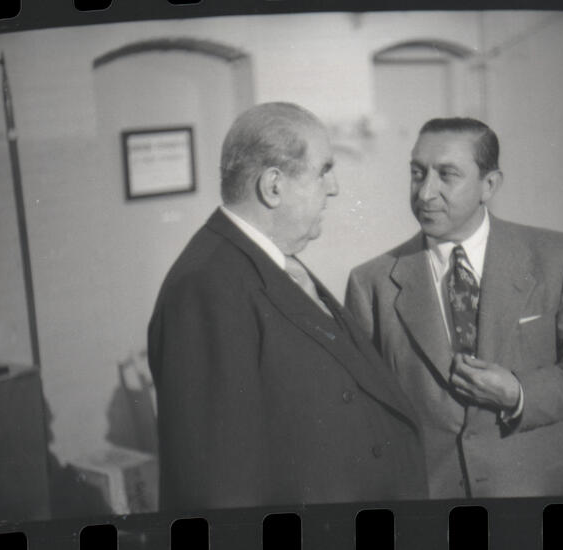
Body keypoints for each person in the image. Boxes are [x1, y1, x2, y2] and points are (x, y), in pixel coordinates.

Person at [147, 102, 427, 510]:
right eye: (323, 170)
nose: (334, 187)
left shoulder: (267, 261)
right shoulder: (205, 287)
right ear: (273, 186)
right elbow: (219, 488)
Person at [345, 117, 563, 498]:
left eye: (447, 175)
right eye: (417, 173)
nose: (426, 193)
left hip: (538, 492)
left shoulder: (559, 256)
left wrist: (518, 393)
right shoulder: (370, 283)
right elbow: (363, 411)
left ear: (489, 185)